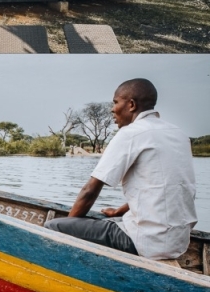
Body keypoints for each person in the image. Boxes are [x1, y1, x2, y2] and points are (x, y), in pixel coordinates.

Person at [45, 78, 197, 260]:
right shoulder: (178, 134)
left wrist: (66, 229)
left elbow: (90, 191)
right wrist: (119, 212)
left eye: (116, 102)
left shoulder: (131, 133)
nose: (112, 109)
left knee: (54, 227)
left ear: (131, 105)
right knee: (108, 222)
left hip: (146, 242)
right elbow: (163, 187)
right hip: (177, 241)